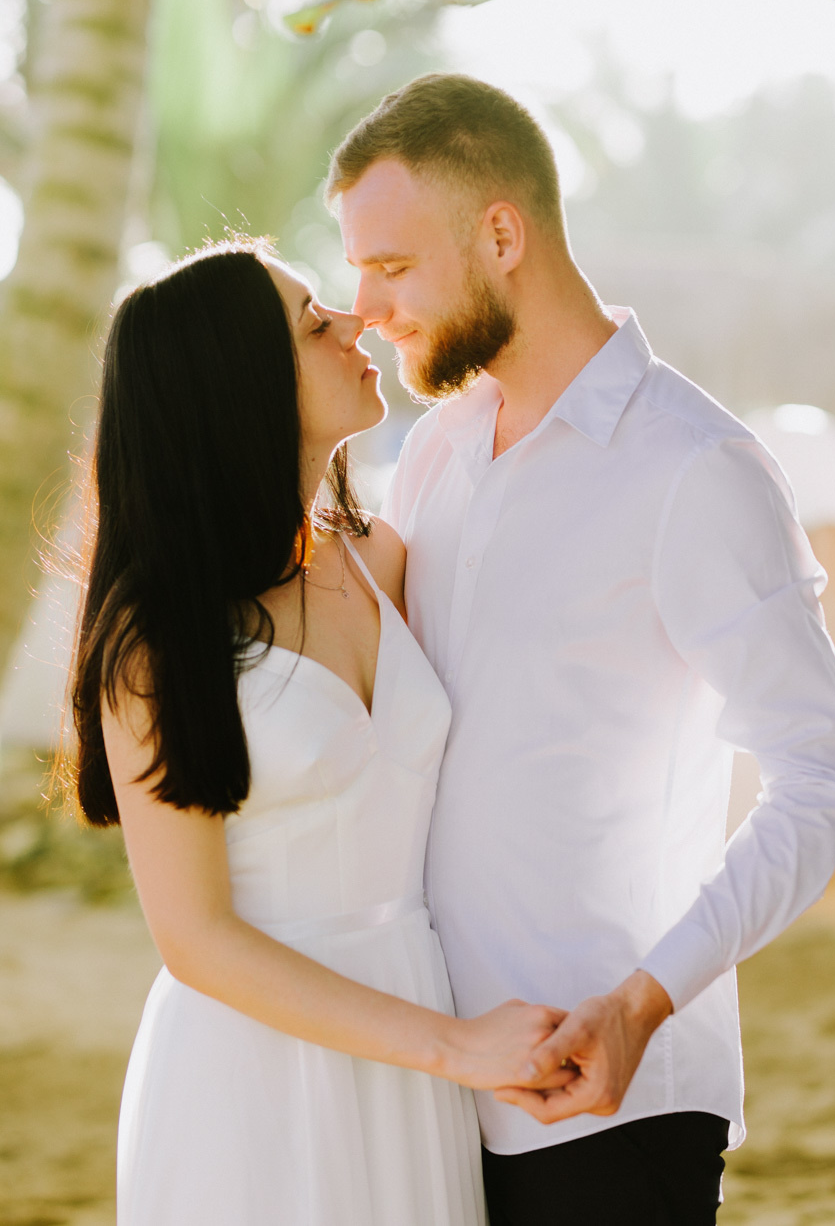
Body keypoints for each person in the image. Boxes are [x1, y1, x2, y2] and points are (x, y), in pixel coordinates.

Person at [329, 73, 835, 1226]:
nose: (366, 308)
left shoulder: (695, 469)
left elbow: (826, 781)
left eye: (391, 266)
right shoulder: (433, 453)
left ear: (499, 232)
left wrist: (642, 1002)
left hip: (612, 1107)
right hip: (438, 1091)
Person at [68, 239, 571, 1225]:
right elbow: (196, 940)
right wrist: (452, 1045)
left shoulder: (381, 560)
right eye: (312, 323)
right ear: (236, 387)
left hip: (414, 1033)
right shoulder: (156, 640)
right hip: (252, 1071)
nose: (355, 323)